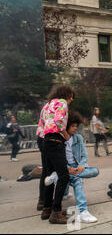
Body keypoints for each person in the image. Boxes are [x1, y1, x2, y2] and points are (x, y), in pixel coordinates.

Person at [45, 111, 99, 223]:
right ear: (66, 126)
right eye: (72, 126)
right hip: (65, 168)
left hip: (77, 168)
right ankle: (83, 212)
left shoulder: (78, 138)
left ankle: (56, 177)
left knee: (95, 171)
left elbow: (84, 155)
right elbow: (60, 160)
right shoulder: (59, 140)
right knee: (78, 180)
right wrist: (68, 168)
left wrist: (81, 166)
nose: (75, 128)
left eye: (76, 126)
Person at [40, 85, 75, 224]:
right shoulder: (62, 102)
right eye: (71, 96)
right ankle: (56, 212)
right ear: (65, 94)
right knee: (63, 176)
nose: (71, 99)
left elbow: (42, 123)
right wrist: (66, 135)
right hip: (56, 141)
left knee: (50, 176)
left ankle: (46, 209)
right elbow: (60, 121)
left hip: (46, 141)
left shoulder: (47, 105)